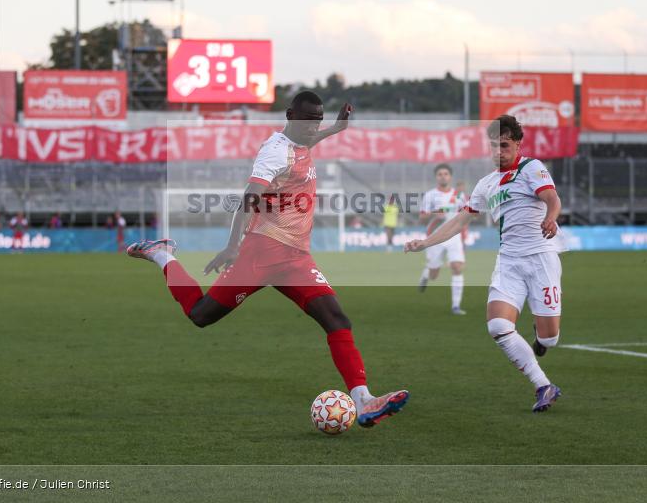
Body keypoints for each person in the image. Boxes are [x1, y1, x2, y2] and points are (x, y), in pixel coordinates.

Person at [126, 91, 409, 427]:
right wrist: (232, 247)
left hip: (296, 259)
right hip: (260, 254)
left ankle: (363, 401)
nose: (311, 126)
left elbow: (308, 141)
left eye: (317, 119)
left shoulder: (300, 140)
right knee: (201, 315)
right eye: (307, 119)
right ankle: (162, 254)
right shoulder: (274, 153)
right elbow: (248, 198)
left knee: (336, 319)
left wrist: (335, 128)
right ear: (290, 115)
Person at [405, 115, 564, 412]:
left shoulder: (532, 168)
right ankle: (543, 385)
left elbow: (552, 199)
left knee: (549, 338)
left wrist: (551, 218)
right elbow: (459, 221)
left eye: (504, 145)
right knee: (498, 326)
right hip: (509, 262)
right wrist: (425, 243)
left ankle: (542, 338)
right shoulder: (486, 184)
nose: (498, 152)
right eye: (493, 146)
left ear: (517, 144)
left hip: (541, 258)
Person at [417, 163, 467, 315]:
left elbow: (466, 215)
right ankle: (426, 274)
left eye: (446, 174)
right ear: (436, 177)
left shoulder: (459, 195)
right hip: (435, 238)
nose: (443, 176)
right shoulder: (430, 195)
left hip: (453, 236)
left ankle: (456, 306)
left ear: (450, 176)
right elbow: (421, 219)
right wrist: (433, 214)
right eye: (440, 174)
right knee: (434, 274)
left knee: (457, 267)